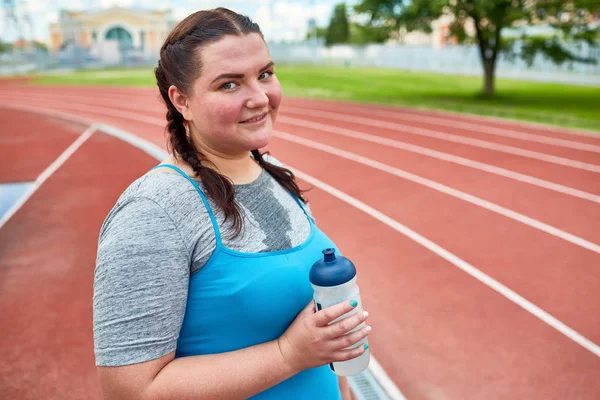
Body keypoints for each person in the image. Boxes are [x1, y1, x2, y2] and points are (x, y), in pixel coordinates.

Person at [93, 7, 370, 400]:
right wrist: (288, 355)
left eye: (265, 74)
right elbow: (130, 391)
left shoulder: (273, 172)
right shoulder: (154, 211)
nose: (259, 98)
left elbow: (323, 333)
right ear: (181, 101)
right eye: (229, 84)